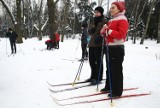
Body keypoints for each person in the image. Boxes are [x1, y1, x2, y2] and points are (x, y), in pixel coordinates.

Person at [100, 1, 129, 98]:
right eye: (111, 7)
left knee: (116, 70)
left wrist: (109, 30)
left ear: (119, 9)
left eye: (113, 8)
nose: (111, 9)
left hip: (117, 48)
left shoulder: (123, 19)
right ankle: (109, 86)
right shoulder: (112, 20)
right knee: (109, 69)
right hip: (109, 47)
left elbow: (120, 35)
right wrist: (104, 31)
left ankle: (117, 91)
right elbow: (108, 33)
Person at [86, 6, 108, 85]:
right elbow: (91, 32)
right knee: (91, 61)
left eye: (97, 12)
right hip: (92, 43)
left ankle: (98, 77)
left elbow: (106, 32)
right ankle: (93, 76)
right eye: (95, 12)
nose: (96, 13)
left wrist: (100, 36)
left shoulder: (104, 21)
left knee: (98, 61)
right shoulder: (94, 21)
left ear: (101, 13)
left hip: (99, 44)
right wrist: (90, 31)